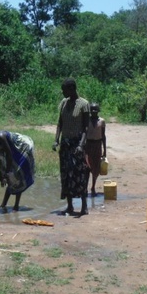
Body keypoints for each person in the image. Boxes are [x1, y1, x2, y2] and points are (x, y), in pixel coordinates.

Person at [0, 118, 35, 212]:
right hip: (11, 152)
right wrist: (1, 172)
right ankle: (3, 204)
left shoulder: (1, 137)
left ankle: (16, 206)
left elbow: (9, 154)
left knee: (17, 176)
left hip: (21, 148)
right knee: (10, 178)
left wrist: (7, 172)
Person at [52, 78, 90, 215]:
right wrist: (56, 140)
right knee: (66, 175)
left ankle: (84, 206)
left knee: (80, 174)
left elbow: (86, 128)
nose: (63, 92)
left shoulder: (84, 104)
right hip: (65, 144)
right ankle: (70, 206)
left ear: (72, 89)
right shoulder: (63, 103)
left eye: (64, 90)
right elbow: (59, 124)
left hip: (77, 144)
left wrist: (81, 145)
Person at [85, 103, 107, 197]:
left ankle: (93, 187)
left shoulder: (101, 121)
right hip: (88, 145)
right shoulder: (86, 121)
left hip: (97, 145)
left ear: (98, 111)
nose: (93, 112)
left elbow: (103, 136)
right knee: (87, 167)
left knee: (96, 168)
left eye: (95, 110)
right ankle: (85, 188)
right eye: (92, 110)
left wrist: (104, 150)